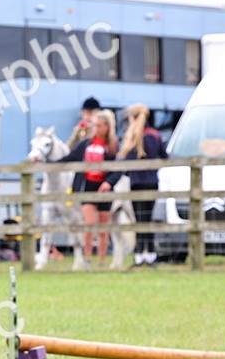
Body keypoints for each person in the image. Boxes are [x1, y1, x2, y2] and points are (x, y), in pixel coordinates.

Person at [109, 103, 168, 266]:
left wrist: (112, 180)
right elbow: (165, 156)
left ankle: (139, 254)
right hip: (152, 183)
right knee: (148, 219)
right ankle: (150, 254)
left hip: (136, 184)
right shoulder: (155, 136)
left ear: (133, 117)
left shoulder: (132, 138)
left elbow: (124, 162)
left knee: (139, 219)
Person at [62, 108, 118, 268]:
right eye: (95, 125)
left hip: (105, 189)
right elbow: (70, 157)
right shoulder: (86, 144)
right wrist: (47, 162)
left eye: (100, 125)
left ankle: (101, 261)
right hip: (88, 186)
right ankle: (87, 260)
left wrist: (109, 182)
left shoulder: (112, 145)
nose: (96, 129)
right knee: (89, 223)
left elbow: (118, 167)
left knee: (103, 228)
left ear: (108, 127)